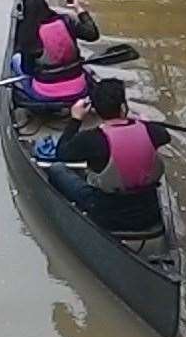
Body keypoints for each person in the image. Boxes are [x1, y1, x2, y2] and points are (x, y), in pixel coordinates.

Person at [46, 78, 170, 233]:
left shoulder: (91, 139)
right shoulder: (153, 132)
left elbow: (62, 153)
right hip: (149, 214)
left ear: (96, 111)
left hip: (107, 216)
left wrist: (76, 119)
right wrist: (144, 123)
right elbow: (165, 136)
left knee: (57, 169)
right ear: (123, 107)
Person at [13, 0, 100, 100]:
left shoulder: (28, 33)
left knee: (16, 59)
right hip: (79, 88)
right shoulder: (66, 21)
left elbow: (27, 70)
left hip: (46, 93)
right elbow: (93, 34)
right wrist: (77, 7)